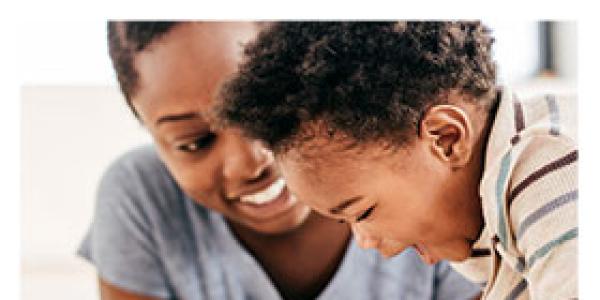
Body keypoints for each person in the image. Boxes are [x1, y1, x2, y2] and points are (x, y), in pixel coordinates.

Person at [78, 21, 482, 300]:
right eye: (195, 142)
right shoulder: (140, 199)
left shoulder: (427, 179)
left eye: (267, 113)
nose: (249, 163)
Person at [218, 21, 578, 299]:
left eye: (362, 213)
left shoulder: (550, 167)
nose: (365, 242)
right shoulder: (488, 223)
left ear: (446, 139)